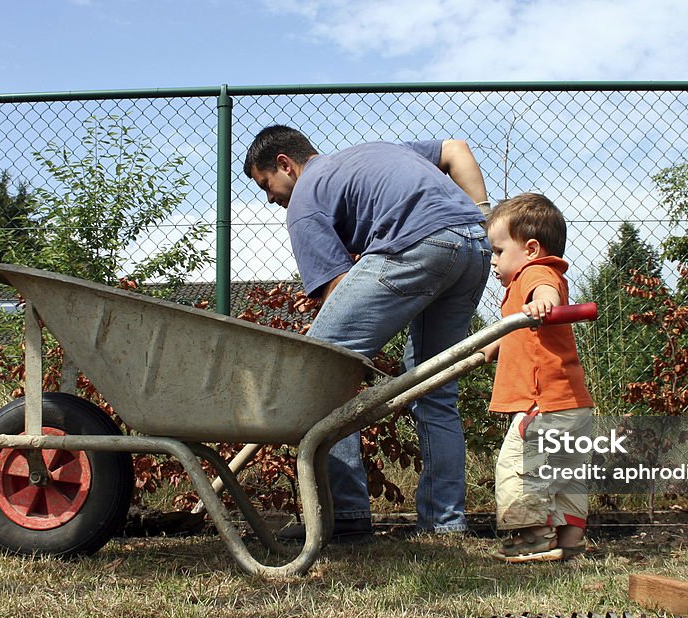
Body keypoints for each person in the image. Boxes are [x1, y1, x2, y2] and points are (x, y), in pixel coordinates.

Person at [242, 125, 492, 540]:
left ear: (285, 164)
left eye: (267, 184)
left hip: (416, 244)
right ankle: (443, 526)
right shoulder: (375, 150)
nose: (270, 198)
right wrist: (483, 215)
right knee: (435, 389)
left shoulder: (304, 200)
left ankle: (345, 517)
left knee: (319, 373)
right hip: (473, 244)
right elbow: (455, 149)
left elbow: (336, 295)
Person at [481, 193, 594, 562]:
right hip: (573, 405)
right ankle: (569, 541)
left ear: (530, 248)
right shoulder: (521, 287)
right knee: (568, 475)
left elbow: (547, 287)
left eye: (498, 251)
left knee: (519, 466)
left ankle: (534, 536)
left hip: (542, 405)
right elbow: (516, 332)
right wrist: (489, 348)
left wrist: (543, 300)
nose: (493, 261)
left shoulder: (536, 273)